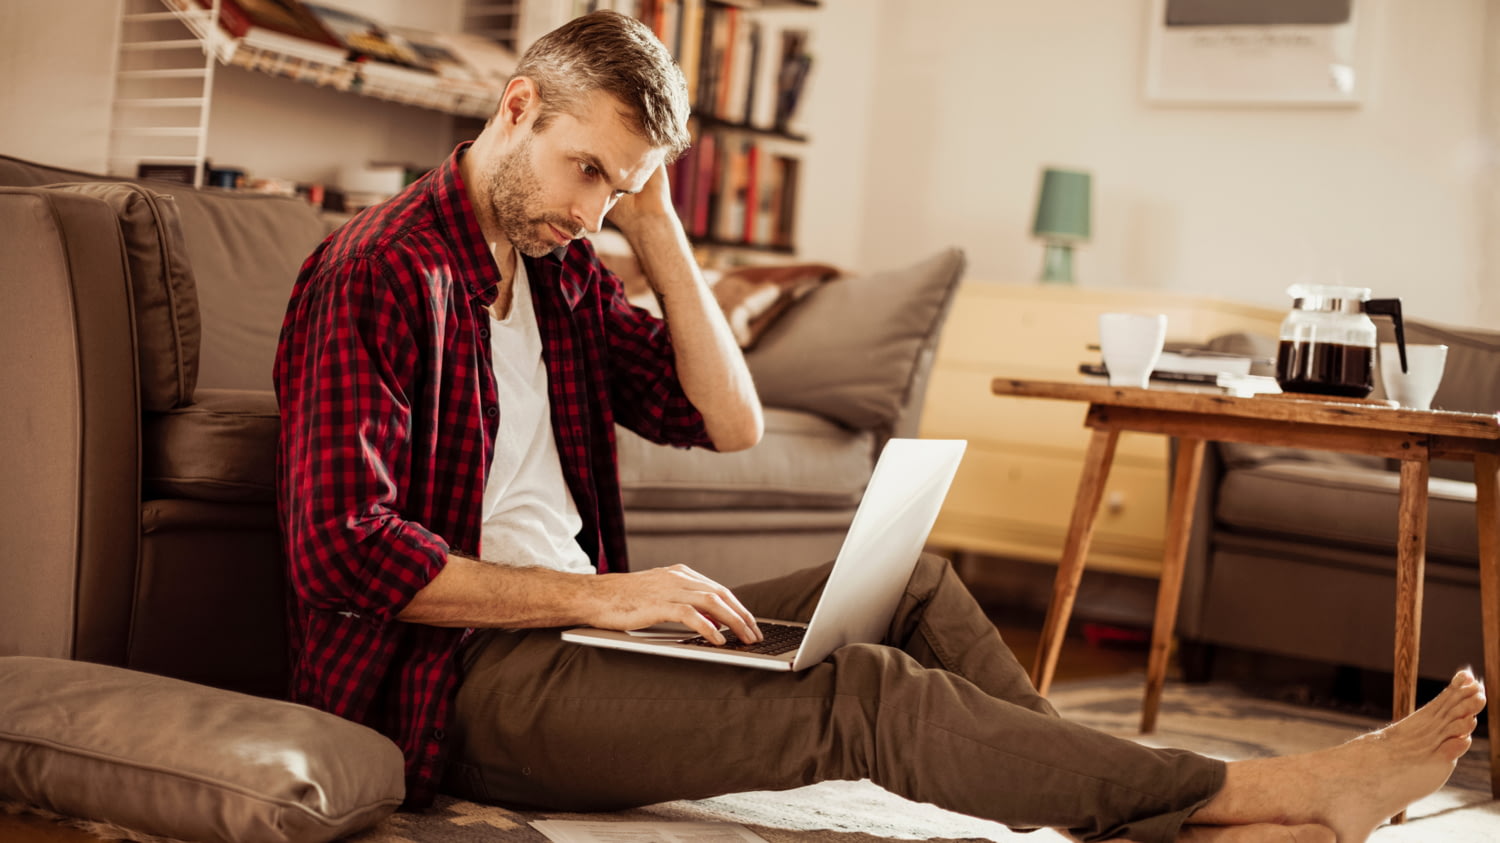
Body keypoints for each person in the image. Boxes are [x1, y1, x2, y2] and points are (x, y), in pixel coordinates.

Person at [274, 10, 1486, 842]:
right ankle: (1249, 795)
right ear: (517, 104)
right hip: (454, 688)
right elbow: (342, 550)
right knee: (862, 695)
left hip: (578, 642)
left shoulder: (561, 271)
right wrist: (600, 596)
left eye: (619, 187)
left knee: (918, 588)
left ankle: (1129, 809)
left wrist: (662, 236)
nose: (590, 209)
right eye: (588, 171)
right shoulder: (379, 270)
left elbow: (729, 421)